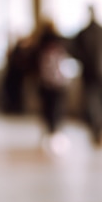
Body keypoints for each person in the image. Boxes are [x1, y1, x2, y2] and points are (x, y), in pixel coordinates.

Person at [70, 5, 102, 147]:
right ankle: (100, 129)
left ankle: (99, 129)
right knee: (97, 104)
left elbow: (75, 51)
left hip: (91, 74)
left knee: (94, 104)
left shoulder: (85, 33)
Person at [31, 18, 71, 151]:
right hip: (59, 81)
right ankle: (55, 130)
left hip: (45, 81)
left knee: (47, 107)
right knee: (57, 107)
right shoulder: (62, 42)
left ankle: (50, 130)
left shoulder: (39, 43)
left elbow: (34, 63)